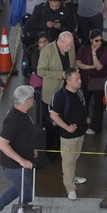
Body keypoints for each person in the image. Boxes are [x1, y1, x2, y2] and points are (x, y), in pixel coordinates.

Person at [0, 85, 39, 213]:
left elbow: (21, 136)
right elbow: (2, 144)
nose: (34, 100)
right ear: (27, 101)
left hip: (20, 165)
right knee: (26, 196)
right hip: (14, 166)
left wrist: (30, 149)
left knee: (18, 188)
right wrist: (22, 160)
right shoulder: (14, 119)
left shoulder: (22, 113)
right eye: (33, 98)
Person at [49, 68, 88, 200]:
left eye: (80, 78)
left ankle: (72, 177)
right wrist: (67, 127)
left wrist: (85, 118)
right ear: (68, 81)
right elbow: (54, 115)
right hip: (69, 136)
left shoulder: (78, 92)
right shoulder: (61, 96)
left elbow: (80, 106)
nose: (80, 81)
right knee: (68, 161)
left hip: (80, 132)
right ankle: (70, 187)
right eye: (76, 79)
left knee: (74, 157)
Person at [36, 31, 76, 161]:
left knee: (65, 120)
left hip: (67, 92)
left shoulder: (70, 47)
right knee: (51, 125)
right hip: (52, 93)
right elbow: (41, 71)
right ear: (60, 41)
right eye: (67, 45)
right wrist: (61, 74)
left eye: (71, 45)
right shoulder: (47, 51)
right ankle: (51, 153)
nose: (69, 48)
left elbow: (73, 62)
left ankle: (62, 148)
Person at [77, 28, 107, 134]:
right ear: (91, 40)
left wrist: (94, 53)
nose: (99, 42)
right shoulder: (83, 48)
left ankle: (95, 127)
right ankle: (84, 122)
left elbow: (99, 67)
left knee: (98, 105)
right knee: (84, 102)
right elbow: (78, 62)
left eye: (101, 40)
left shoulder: (105, 50)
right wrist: (89, 67)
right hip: (85, 79)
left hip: (98, 80)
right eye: (96, 40)